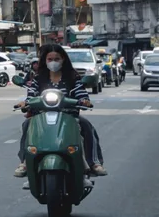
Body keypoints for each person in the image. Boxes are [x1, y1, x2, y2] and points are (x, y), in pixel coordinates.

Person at [14, 43, 106, 178]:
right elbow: (31, 95)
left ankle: (94, 163)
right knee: (27, 125)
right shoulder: (39, 79)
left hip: (69, 116)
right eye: (50, 59)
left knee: (86, 126)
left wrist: (84, 100)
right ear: (45, 61)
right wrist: (25, 103)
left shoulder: (72, 78)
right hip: (42, 117)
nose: (53, 62)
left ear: (63, 60)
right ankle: (25, 162)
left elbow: (80, 93)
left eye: (56, 59)